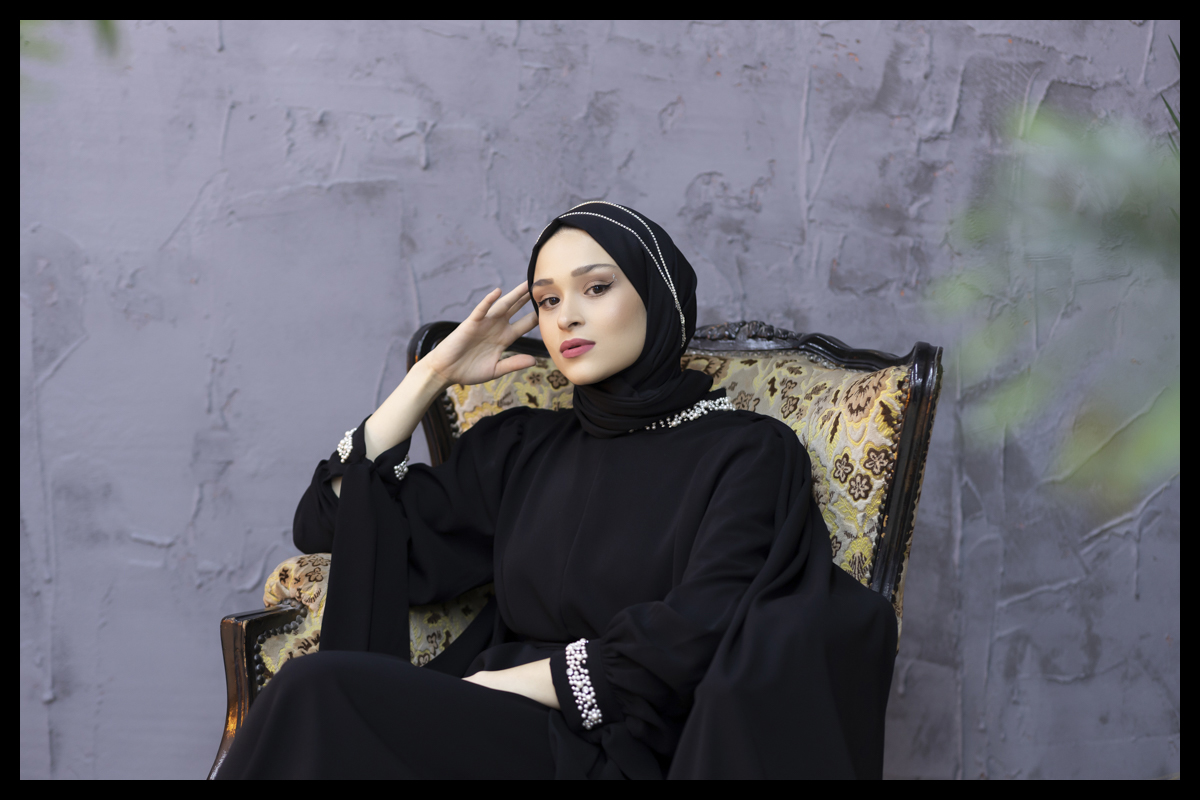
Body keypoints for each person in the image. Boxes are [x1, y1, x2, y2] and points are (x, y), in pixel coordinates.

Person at [217, 201, 897, 779]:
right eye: (547, 300)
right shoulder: (523, 448)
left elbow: (698, 630)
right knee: (318, 696)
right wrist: (431, 377)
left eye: (595, 288)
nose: (566, 316)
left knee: (317, 690)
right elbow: (336, 520)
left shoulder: (746, 451)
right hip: (493, 723)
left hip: (620, 742)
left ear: (656, 296)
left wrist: (497, 683)